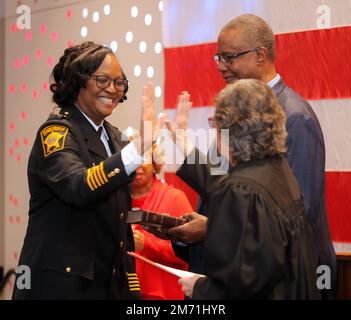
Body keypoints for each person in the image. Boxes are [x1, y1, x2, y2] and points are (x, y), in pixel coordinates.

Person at [165, 14, 337, 295]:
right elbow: (229, 184)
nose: (222, 67)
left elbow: (299, 212)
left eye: (229, 57)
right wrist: (187, 150)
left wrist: (212, 228)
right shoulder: (241, 107)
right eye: (218, 57)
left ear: (260, 55)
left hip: (283, 281)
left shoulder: (294, 116)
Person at [12, 41, 162, 299]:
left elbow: (120, 227)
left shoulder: (116, 138)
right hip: (61, 290)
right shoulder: (56, 132)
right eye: (102, 80)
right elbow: (79, 187)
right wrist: (137, 151)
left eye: (119, 82)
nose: (112, 89)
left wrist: (131, 290)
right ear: (78, 81)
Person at [173, 79, 321, 299]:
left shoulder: (240, 190)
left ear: (230, 130)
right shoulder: (278, 170)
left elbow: (242, 287)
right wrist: (184, 144)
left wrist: (200, 289)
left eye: (216, 123)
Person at [131, 145, 193, 300]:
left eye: (143, 158)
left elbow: (189, 252)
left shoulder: (174, 198)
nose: (138, 164)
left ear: (154, 164)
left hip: (163, 294)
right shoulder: (114, 200)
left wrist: (146, 244)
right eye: (132, 158)